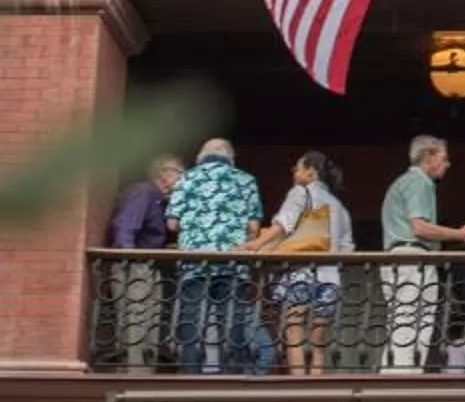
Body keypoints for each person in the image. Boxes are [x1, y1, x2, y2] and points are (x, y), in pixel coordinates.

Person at [166, 139, 270, 375]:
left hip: (195, 261)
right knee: (232, 321)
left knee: (191, 320)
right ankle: (233, 374)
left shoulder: (186, 178)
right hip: (233, 261)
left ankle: (190, 372)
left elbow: (172, 224)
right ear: (231, 158)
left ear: (200, 157)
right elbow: (254, 228)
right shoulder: (245, 180)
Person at [376, 135, 465, 375]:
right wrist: (460, 234)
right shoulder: (419, 182)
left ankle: (392, 378)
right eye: (444, 158)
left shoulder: (404, 182)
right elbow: (419, 227)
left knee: (402, 321)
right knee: (412, 323)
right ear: (429, 157)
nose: (448, 164)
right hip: (413, 257)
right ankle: (402, 381)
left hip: (399, 257)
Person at [249, 151, 352, 376]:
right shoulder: (339, 207)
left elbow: (282, 225)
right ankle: (317, 389)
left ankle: (298, 385)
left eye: (297, 168)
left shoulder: (300, 193)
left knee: (294, 332)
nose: (294, 173)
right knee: (318, 343)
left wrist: (253, 245)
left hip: (302, 273)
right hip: (330, 278)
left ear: (310, 172)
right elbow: (347, 248)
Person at [105, 156, 182, 371]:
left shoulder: (160, 201)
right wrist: (130, 263)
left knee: (149, 322)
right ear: (164, 174)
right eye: (180, 173)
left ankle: (144, 372)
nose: (183, 180)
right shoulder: (144, 192)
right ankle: (134, 375)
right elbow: (125, 228)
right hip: (135, 266)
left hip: (147, 266)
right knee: (136, 321)